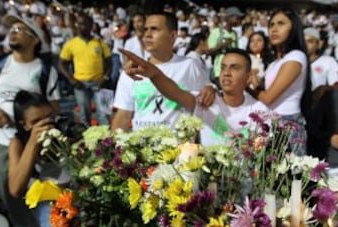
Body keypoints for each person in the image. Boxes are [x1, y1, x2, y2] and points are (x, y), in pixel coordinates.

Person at [0, 14, 60, 227]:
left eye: (20, 29)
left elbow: (53, 107)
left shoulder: (45, 70)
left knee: (39, 188)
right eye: (12, 29)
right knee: (8, 189)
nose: (13, 32)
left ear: (35, 40)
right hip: (3, 140)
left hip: (34, 143)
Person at [120, 48, 269, 146]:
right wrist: (154, 74)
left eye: (234, 68)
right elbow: (175, 92)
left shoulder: (261, 113)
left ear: (249, 77)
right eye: (223, 67)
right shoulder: (207, 101)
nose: (226, 73)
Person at [111, 11, 213, 132]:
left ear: (173, 36)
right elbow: (123, 115)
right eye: (146, 29)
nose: (147, 34)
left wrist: (211, 89)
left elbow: (207, 98)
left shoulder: (189, 66)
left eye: (154, 29)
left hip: (180, 148)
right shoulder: (132, 70)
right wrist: (112, 147)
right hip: (141, 148)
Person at [8, 90, 73, 227]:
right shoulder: (18, 143)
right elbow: (15, 189)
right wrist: (33, 143)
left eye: (48, 117)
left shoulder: (63, 126)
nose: (46, 125)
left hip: (75, 193)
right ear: (23, 125)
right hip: (48, 202)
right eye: (37, 121)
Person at [247, 8, 312, 156]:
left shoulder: (296, 57)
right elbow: (267, 91)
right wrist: (255, 82)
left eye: (281, 24)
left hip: (287, 125)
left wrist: (249, 89)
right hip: (271, 122)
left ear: (293, 28)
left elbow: (269, 97)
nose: (274, 29)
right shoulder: (275, 62)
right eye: (271, 25)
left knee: (289, 176)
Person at [59, 13, 112, 127]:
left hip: (99, 83)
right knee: (84, 116)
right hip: (80, 84)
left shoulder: (99, 42)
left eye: (84, 24)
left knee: (104, 115)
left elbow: (109, 62)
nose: (80, 26)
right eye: (78, 23)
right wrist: (71, 79)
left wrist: (105, 78)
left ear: (91, 25)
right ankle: (88, 142)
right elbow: (62, 63)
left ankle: (108, 142)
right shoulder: (71, 44)